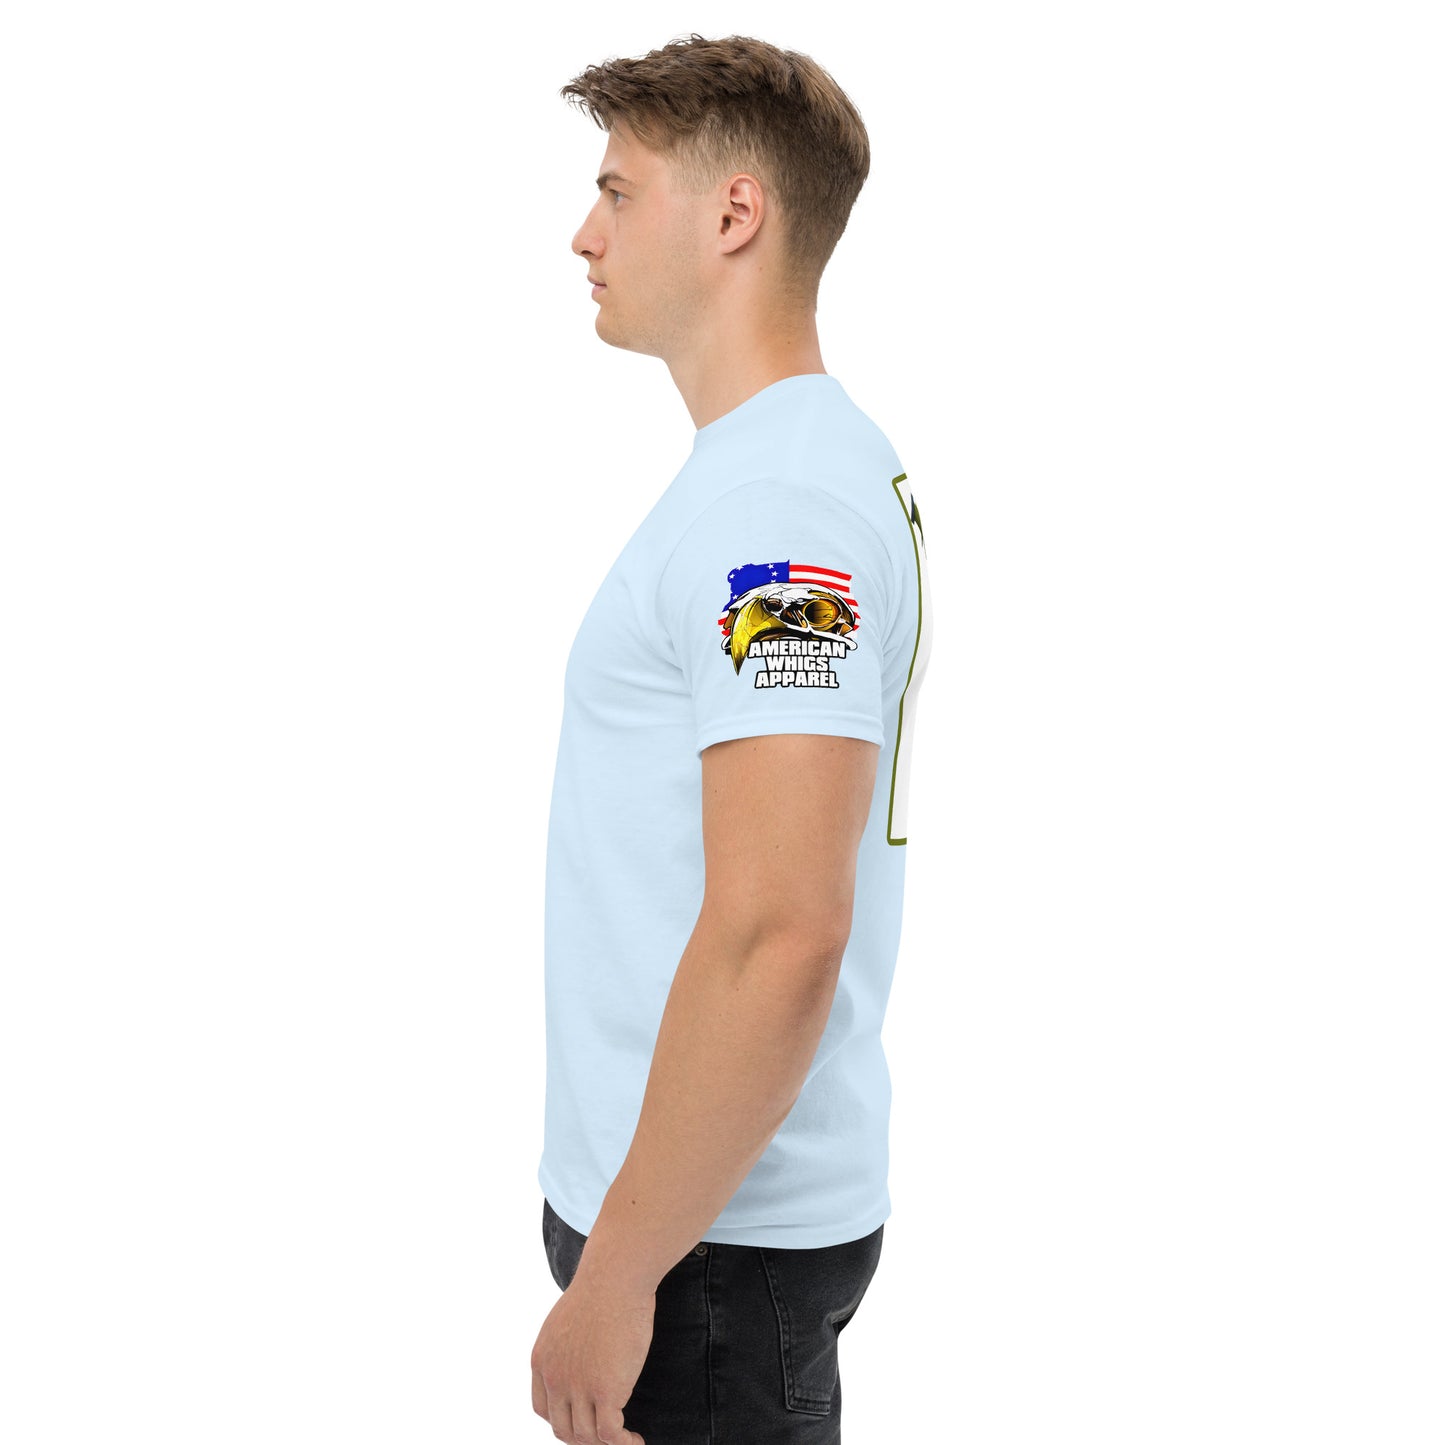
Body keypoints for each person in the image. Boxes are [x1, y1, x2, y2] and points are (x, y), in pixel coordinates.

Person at [530, 33, 933, 1445]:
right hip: (702, 1237)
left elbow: (781, 931)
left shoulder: (777, 515)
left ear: (734, 214)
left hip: (706, 1257)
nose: (584, 234)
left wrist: (621, 1273)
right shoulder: (782, 475)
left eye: (617, 192)